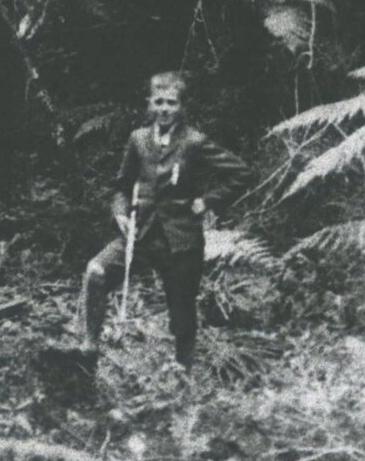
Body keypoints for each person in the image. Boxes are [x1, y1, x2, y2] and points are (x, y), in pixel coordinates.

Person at [80, 71, 250, 371]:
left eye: (171, 103)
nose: (164, 109)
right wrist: (120, 212)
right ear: (149, 104)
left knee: (182, 314)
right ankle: (87, 352)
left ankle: (183, 373)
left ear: (182, 106)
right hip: (141, 235)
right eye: (158, 102)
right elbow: (122, 184)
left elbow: (242, 172)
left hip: (180, 241)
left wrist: (207, 201)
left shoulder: (195, 142)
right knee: (95, 272)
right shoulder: (138, 139)